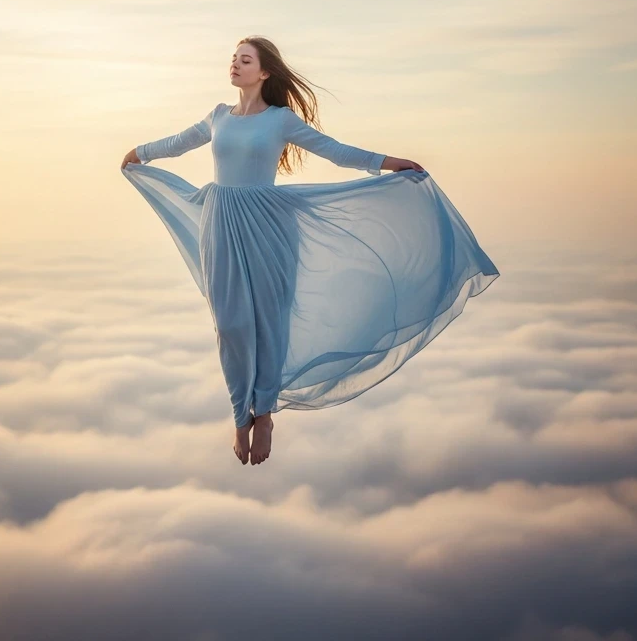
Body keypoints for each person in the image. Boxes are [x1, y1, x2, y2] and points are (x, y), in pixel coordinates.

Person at [121, 36, 498, 466]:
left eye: (245, 60)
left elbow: (334, 151)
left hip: (269, 225)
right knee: (230, 324)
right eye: (234, 58)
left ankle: (262, 414)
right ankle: (238, 415)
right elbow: (177, 142)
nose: (235, 64)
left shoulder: (280, 120)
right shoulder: (217, 117)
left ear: (264, 72)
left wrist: (388, 162)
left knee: (269, 318)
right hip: (221, 223)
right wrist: (139, 154)